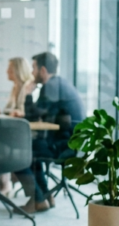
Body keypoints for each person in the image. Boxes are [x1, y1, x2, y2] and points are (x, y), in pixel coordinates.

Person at [11, 52, 84, 213]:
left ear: (42, 70)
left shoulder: (50, 86)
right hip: (69, 143)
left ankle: (37, 199)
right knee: (31, 149)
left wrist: (28, 94)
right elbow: (40, 113)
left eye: (34, 68)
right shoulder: (59, 84)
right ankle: (44, 196)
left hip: (64, 146)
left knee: (17, 154)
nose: (31, 72)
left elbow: (33, 115)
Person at [0, 56, 35, 195]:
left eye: (10, 68)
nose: (7, 71)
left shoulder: (28, 87)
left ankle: (5, 181)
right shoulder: (15, 88)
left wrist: (16, 113)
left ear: (18, 70)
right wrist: (1, 112)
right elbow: (10, 109)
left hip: (26, 132)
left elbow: (27, 112)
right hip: (15, 129)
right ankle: (4, 179)